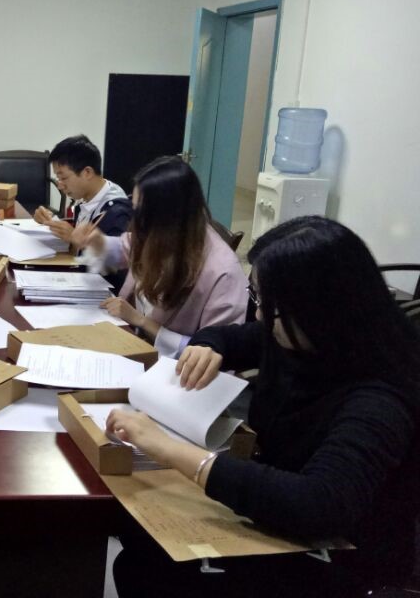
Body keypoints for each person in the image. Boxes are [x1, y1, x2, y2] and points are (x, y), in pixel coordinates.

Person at [107, 216, 420, 597]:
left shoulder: (381, 395)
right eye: (256, 296)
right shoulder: (300, 336)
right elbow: (230, 337)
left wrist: (169, 449)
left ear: (318, 310)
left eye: (268, 305)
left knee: (148, 570)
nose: (258, 315)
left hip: (340, 559)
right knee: (137, 540)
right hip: (282, 520)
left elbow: (319, 504)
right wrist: (207, 346)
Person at [75, 155, 247, 356]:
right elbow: (123, 249)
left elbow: (213, 354)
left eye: (142, 213)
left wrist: (142, 321)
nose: (136, 222)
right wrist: (98, 241)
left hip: (172, 367)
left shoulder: (222, 273)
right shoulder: (158, 233)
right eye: (135, 208)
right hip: (133, 343)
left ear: (170, 217)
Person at [34, 135, 133, 290]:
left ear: (87, 172)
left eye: (63, 178)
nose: (60, 185)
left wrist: (74, 237)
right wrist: (51, 221)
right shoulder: (91, 195)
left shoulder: (117, 212)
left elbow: (114, 270)